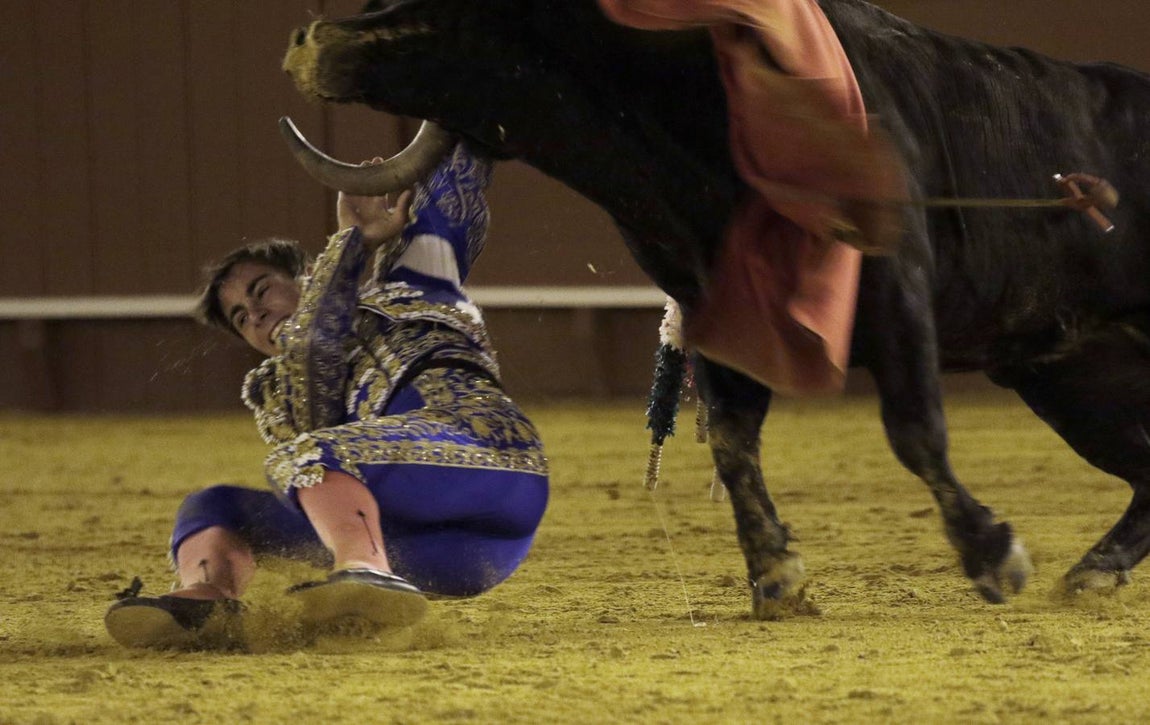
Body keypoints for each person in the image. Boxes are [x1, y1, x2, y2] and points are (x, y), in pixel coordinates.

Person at [105, 142, 550, 649]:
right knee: (216, 503)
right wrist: (350, 246)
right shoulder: (278, 389)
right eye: (239, 318)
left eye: (261, 290)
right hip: (426, 551)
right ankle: (206, 603)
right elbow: (314, 358)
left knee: (307, 455)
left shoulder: (411, 279)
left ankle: (365, 574)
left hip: (496, 470)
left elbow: (455, 171)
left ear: (307, 274)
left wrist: (462, 105)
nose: (254, 315)